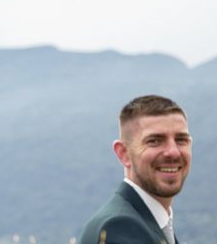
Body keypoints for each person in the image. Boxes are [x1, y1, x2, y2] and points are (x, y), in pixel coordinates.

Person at [79, 95, 192, 244]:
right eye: (155, 141)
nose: (173, 152)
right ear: (123, 153)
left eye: (181, 140)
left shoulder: (149, 222)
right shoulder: (119, 228)